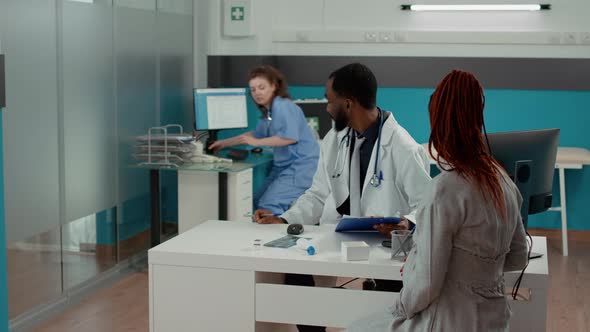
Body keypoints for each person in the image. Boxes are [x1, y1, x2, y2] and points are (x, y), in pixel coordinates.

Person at [254, 63, 432, 332]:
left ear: (348, 104)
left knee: (388, 306)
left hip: (384, 242)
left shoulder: (402, 147)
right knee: (297, 271)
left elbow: (427, 206)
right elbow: (317, 194)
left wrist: (407, 222)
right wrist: (284, 218)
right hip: (338, 233)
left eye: (329, 100)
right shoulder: (335, 139)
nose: (326, 107)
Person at [347, 70, 529, 331]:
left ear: (439, 123)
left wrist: (398, 309)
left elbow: (426, 285)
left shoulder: (445, 189)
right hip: (495, 321)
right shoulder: (504, 182)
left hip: (446, 321)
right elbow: (517, 258)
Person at [209, 65, 320, 215]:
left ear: (274, 86)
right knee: (256, 200)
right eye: (253, 90)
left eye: (261, 87)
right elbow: (254, 135)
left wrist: (256, 143)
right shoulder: (269, 112)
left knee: (268, 206)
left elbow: (290, 138)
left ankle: (278, 237)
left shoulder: (283, 106)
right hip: (282, 167)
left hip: (300, 168)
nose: (257, 93)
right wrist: (223, 143)